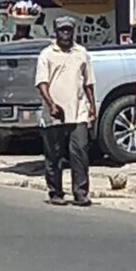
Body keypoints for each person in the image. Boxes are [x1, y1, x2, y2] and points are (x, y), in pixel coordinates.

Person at [35, 16, 96, 207]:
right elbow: (42, 83)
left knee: (80, 153)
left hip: (78, 112)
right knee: (54, 155)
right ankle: (56, 192)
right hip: (54, 115)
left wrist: (92, 106)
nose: (66, 34)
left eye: (69, 30)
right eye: (62, 30)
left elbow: (88, 82)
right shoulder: (46, 55)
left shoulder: (82, 53)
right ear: (56, 32)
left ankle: (80, 193)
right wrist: (51, 105)